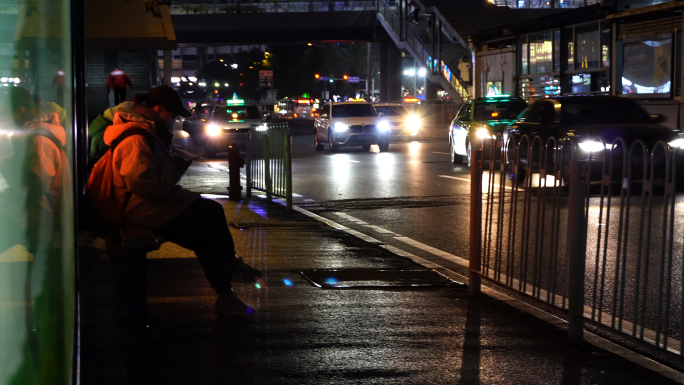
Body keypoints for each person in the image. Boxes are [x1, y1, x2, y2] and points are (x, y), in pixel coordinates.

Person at [89, 85, 261, 321]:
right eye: (172, 114)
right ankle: (227, 278)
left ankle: (227, 284)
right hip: (135, 208)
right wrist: (172, 182)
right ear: (159, 109)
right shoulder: (137, 137)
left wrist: (175, 172)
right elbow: (142, 182)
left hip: (142, 204)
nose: (173, 120)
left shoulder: (145, 132)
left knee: (207, 223)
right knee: (207, 220)